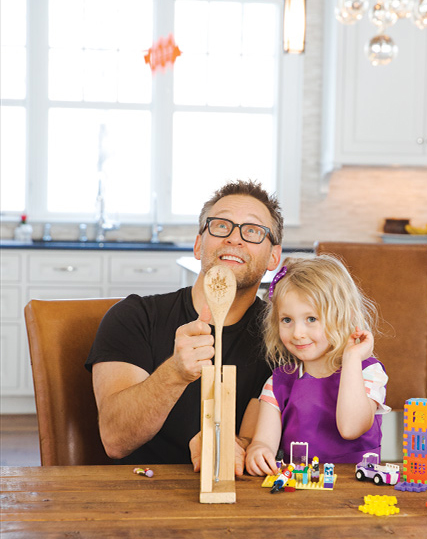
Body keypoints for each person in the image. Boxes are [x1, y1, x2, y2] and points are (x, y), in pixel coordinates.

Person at [85, 179, 283, 473]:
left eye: (252, 231)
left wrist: (235, 444)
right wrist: (175, 372)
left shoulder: (286, 335)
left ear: (274, 257)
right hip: (143, 496)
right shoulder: (134, 317)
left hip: (245, 496)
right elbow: (115, 440)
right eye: (220, 226)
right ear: (199, 244)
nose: (234, 238)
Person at [244, 254, 391, 476]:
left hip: (353, 487)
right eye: (287, 320)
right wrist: (258, 450)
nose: (298, 333)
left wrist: (352, 359)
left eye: (311, 319)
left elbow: (350, 428)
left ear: (345, 317)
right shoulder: (278, 381)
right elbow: (264, 441)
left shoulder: (368, 372)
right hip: (299, 489)